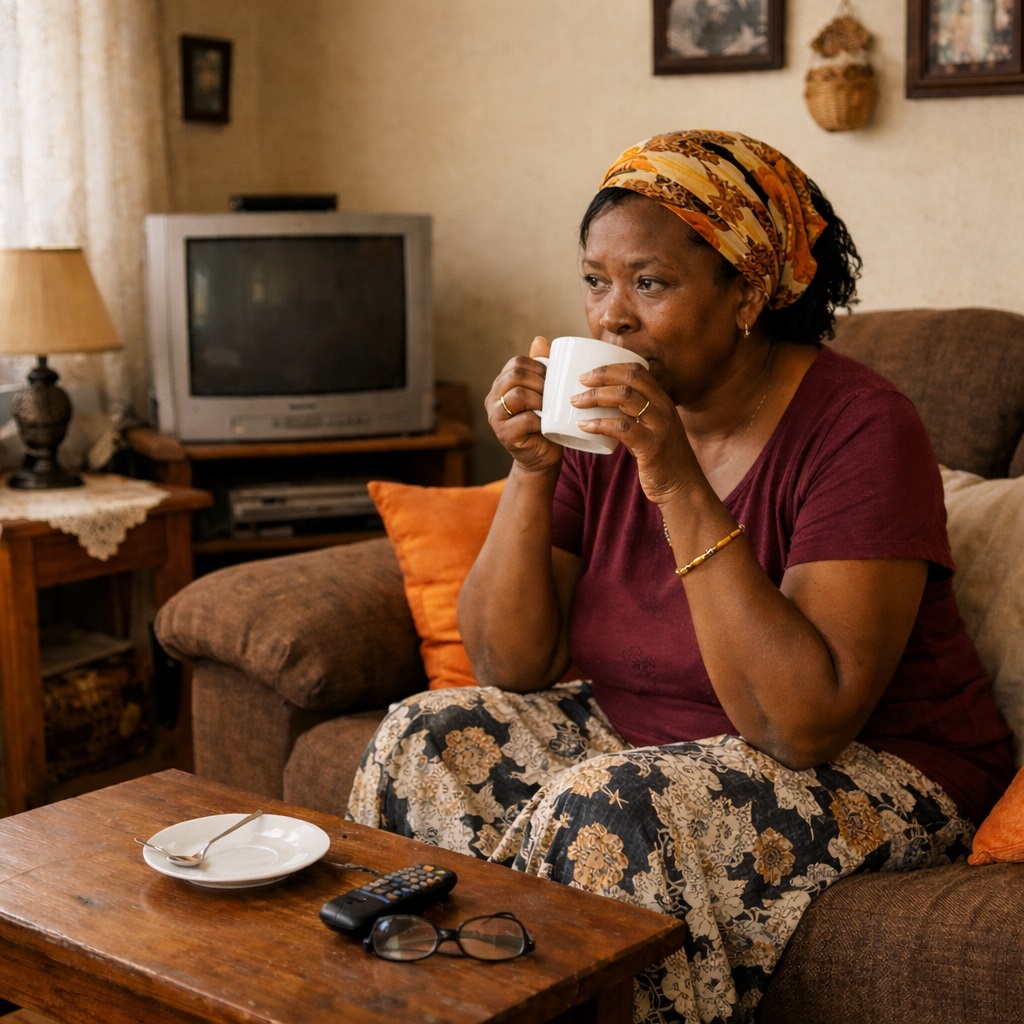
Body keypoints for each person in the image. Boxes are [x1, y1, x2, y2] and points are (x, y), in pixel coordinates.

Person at [348, 130, 1014, 1024]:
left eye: (649, 284)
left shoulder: (862, 428)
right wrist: (532, 466)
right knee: (422, 735)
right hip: (650, 736)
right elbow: (509, 661)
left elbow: (803, 724)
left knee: (613, 806)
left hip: (885, 771)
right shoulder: (603, 416)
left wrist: (672, 478)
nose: (610, 318)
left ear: (747, 293)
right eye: (595, 280)